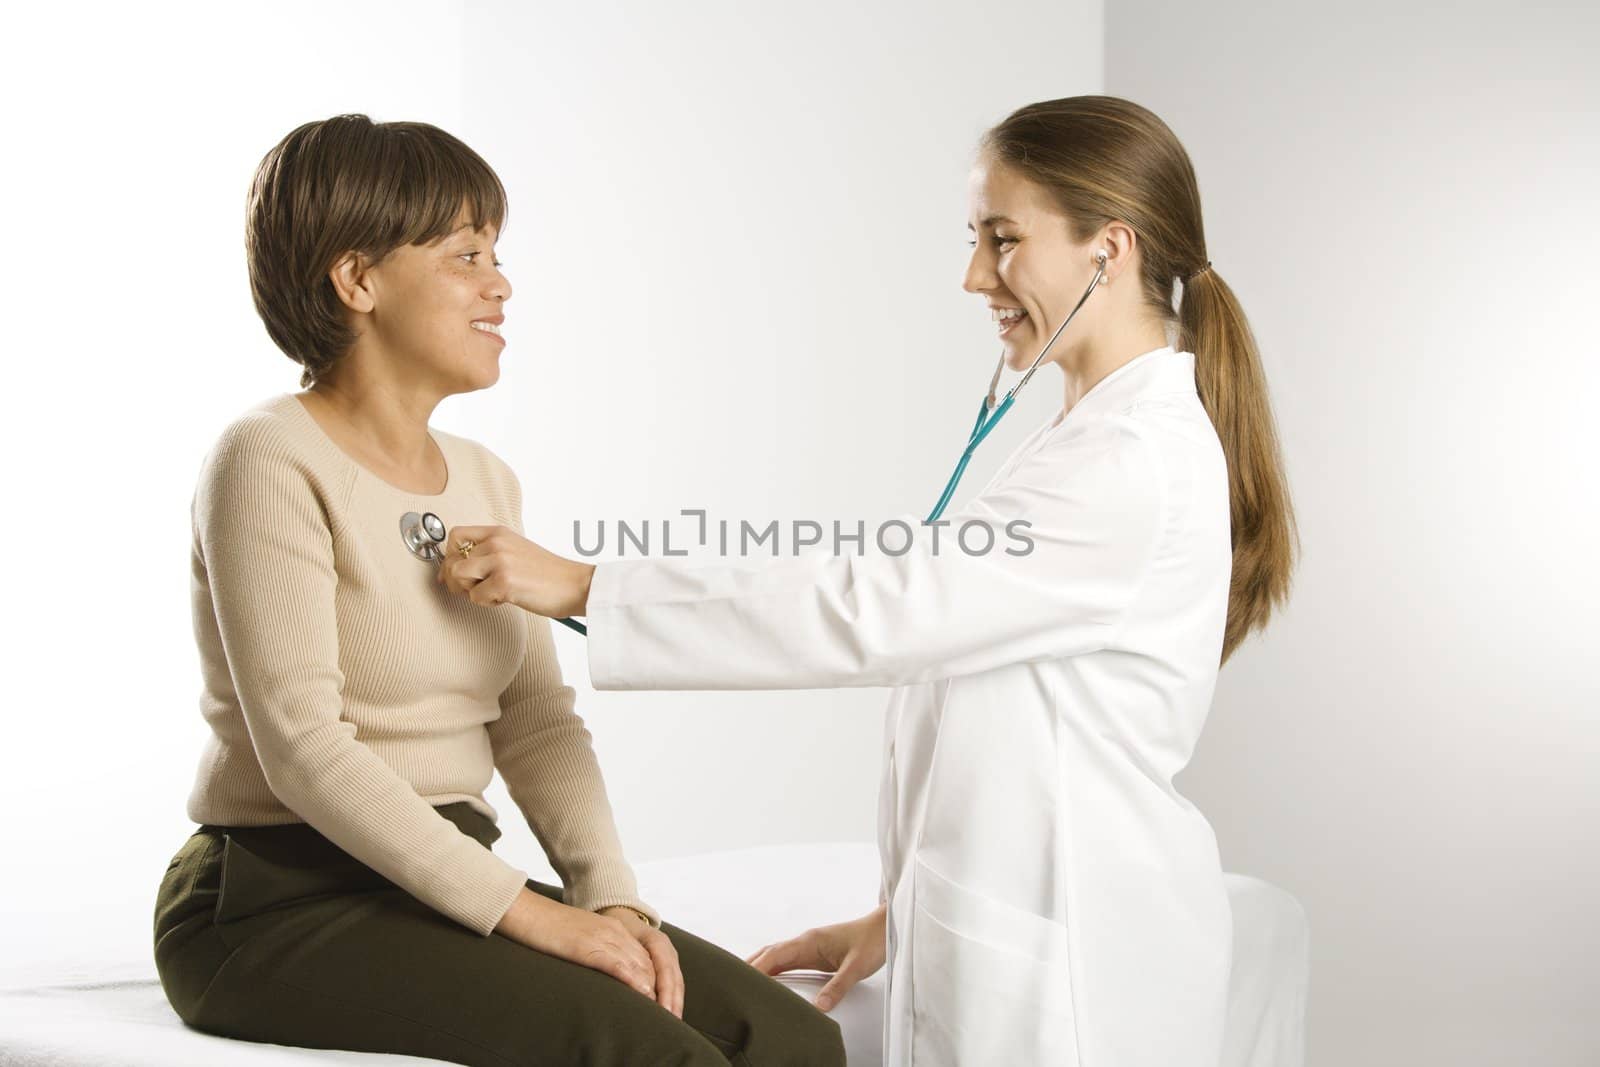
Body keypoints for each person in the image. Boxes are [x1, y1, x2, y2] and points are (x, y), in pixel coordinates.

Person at [436, 95, 1299, 1066]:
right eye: (976, 238)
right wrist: (900, 916)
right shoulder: (1094, 441)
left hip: (1079, 978)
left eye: (1002, 239)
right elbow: (1017, 720)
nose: (976, 274)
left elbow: (874, 607)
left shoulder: (1128, 462)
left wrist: (588, 584)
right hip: (1044, 929)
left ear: (1109, 249)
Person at [152, 114, 845, 1067]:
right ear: (357, 281)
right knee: (655, 1052)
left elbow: (537, 722)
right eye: (466, 253)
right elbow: (303, 748)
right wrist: (532, 918)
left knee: (792, 1042)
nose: (501, 281)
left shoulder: (484, 478)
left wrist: (612, 901)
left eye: (497, 252)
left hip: (437, 877)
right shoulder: (269, 457)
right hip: (276, 898)